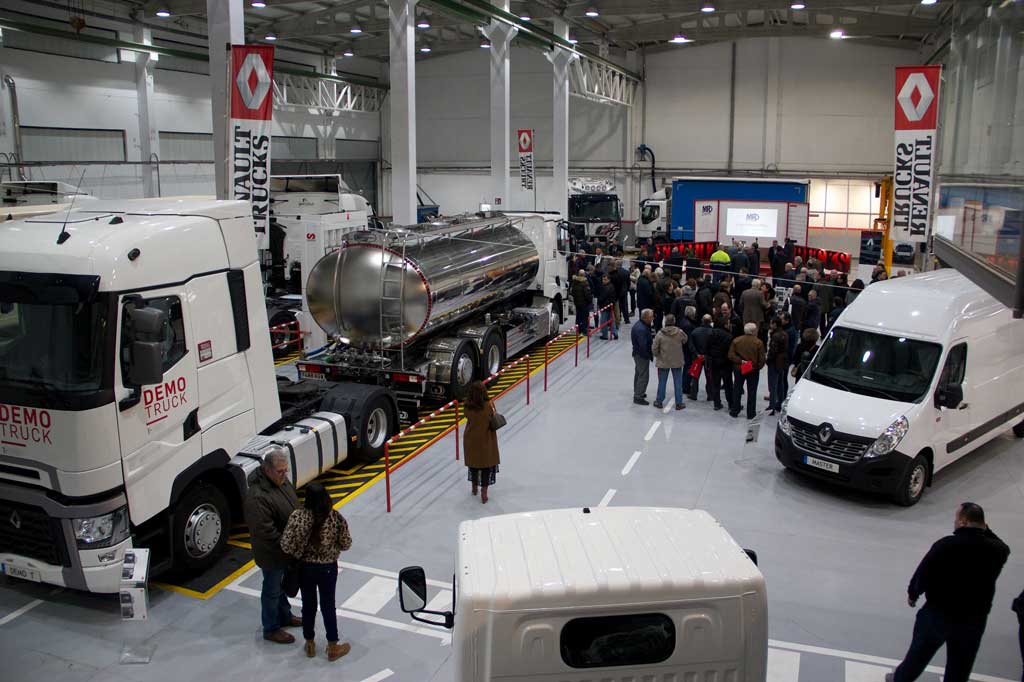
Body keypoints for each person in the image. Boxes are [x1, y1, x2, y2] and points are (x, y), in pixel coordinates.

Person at [887, 503, 1010, 682]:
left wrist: (913, 593)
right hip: (973, 619)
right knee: (960, 665)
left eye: (956, 519)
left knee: (918, 655)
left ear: (963, 521)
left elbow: (923, 573)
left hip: (938, 613)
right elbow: (1001, 544)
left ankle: (900, 679)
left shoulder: (945, 546)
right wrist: (983, 528)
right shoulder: (998, 551)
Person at [280, 482, 352, 661]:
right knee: (328, 605)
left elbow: (286, 545)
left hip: (305, 568)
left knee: (308, 605)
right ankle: (333, 646)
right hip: (328, 568)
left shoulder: (297, 517)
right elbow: (346, 544)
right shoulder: (335, 518)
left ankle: (310, 643)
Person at [244, 448, 301, 644]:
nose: (284, 475)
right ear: (267, 470)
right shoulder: (257, 497)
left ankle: (284, 615)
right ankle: (271, 628)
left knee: (281, 586)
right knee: (271, 589)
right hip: (272, 553)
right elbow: (266, 533)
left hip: (287, 548)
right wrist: (291, 545)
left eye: (286, 470)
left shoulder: (281, 482)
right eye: (280, 471)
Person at [462, 380, 500, 504]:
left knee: (473, 464)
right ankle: (484, 492)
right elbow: (493, 416)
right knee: (486, 466)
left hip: (470, 439)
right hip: (486, 439)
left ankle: (474, 487)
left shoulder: (467, 406)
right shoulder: (489, 405)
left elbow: (467, 417)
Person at [728, 322, 766, 419]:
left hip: (739, 368)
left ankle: (734, 411)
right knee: (752, 392)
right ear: (753, 331)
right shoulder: (758, 343)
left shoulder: (736, 340)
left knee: (737, 389)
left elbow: (730, 355)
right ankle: (750, 413)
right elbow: (762, 360)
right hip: (753, 370)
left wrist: (741, 361)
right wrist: (756, 367)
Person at [652, 314, 687, 410]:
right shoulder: (679, 332)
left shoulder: (660, 334)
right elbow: (685, 340)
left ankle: (659, 401)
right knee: (678, 382)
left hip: (663, 361)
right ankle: (679, 403)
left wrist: (658, 355)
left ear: (665, 322)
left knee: (662, 382)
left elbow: (654, 348)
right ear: (674, 322)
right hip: (677, 361)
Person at [707, 316, 735, 412]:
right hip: (726, 363)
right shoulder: (729, 336)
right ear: (724, 324)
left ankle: (717, 403)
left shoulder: (711, 334)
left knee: (715, 383)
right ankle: (731, 404)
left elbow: (707, 347)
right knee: (728, 385)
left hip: (714, 362)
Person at [631, 309, 655, 405]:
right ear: (645, 317)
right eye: (651, 316)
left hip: (638, 354)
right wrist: (648, 355)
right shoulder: (641, 329)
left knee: (638, 373)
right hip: (641, 355)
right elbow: (643, 345)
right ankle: (638, 396)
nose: (653, 318)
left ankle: (638, 391)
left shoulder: (641, 325)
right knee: (643, 376)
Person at [766, 316, 789, 415]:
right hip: (782, 361)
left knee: (773, 384)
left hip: (774, 362)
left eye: (771, 323)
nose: (770, 325)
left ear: (775, 324)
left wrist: (768, 360)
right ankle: (780, 403)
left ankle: (772, 406)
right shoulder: (785, 334)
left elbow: (773, 351)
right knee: (780, 383)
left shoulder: (775, 336)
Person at [689, 313, 713, 401]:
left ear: (702, 320)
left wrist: (696, 354)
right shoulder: (713, 333)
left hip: (697, 358)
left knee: (695, 376)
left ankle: (693, 394)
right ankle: (710, 395)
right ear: (710, 321)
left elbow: (691, 345)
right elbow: (714, 347)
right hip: (708, 358)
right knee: (709, 377)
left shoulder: (695, 331)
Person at [569, 269, 592, 336]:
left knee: (578, 317)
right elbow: (587, 294)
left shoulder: (574, 282)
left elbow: (572, 292)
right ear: (584, 274)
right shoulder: (585, 282)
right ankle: (584, 331)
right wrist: (590, 300)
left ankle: (578, 330)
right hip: (584, 303)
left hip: (577, 303)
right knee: (584, 317)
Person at [597, 273, 619, 340]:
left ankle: (605, 335)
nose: (603, 281)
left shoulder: (605, 287)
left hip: (605, 306)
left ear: (608, 280)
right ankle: (615, 333)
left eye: (605, 279)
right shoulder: (611, 286)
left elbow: (602, 297)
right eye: (603, 279)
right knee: (611, 321)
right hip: (610, 306)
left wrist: (599, 302)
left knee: (604, 321)